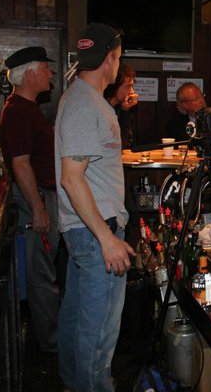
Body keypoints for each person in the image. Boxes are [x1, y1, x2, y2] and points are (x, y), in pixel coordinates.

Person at [55, 23, 136, 392]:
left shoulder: (85, 98)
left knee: (77, 321)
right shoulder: (84, 103)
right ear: (110, 59)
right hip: (94, 231)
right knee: (98, 332)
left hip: (84, 230)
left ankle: (77, 384)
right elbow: (72, 178)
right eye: (117, 57)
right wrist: (107, 238)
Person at [0, 46, 61, 353]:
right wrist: (38, 208)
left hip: (42, 196)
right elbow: (21, 164)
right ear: (31, 72)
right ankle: (52, 345)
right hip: (35, 199)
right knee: (40, 275)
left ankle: (51, 337)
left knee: (44, 271)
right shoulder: (18, 111)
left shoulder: (26, 108)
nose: (51, 74)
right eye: (47, 68)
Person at [169, 81, 211, 152]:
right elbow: (175, 149)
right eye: (196, 99)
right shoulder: (175, 123)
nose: (202, 101)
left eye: (202, 96)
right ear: (185, 105)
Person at [103, 64, 139, 149]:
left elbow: (128, 142)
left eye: (132, 86)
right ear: (115, 87)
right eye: (128, 87)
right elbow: (119, 144)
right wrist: (125, 111)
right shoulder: (104, 109)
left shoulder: (119, 109)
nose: (132, 91)